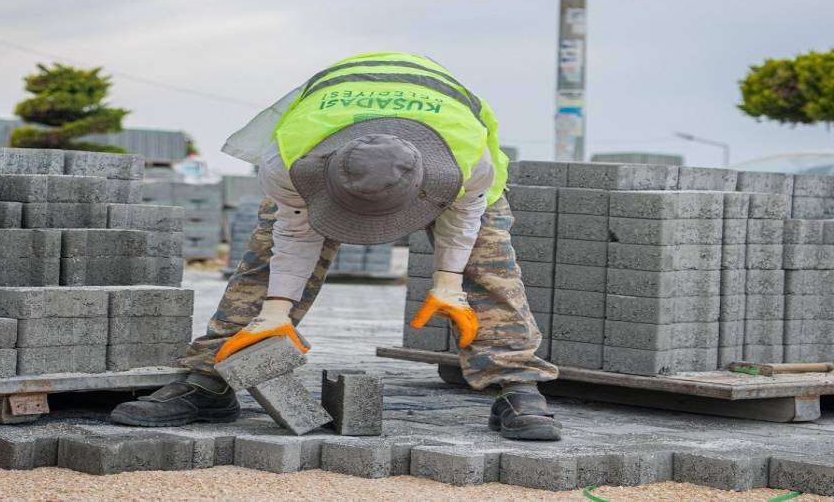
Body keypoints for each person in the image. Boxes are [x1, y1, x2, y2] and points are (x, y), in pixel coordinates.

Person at [111, 52, 562, 441]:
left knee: (487, 262)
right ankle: (210, 380)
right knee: (267, 262)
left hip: (443, 146)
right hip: (332, 132)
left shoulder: (464, 164)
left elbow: (464, 216)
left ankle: (516, 384)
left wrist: (447, 282)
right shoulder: (290, 160)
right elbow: (294, 232)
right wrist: (274, 311)